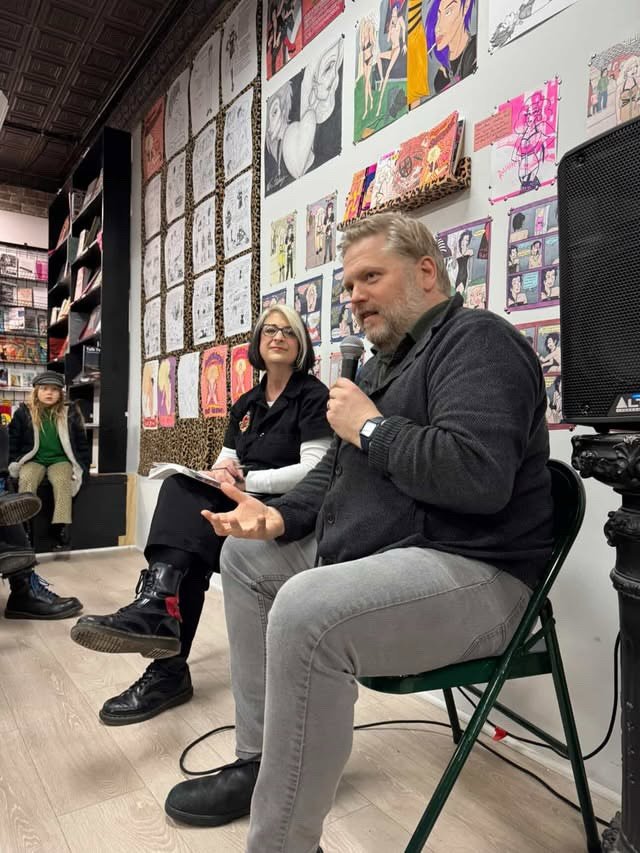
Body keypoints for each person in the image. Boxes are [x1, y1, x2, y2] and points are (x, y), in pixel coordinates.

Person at [160, 213, 553, 850]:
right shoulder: (376, 368)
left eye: (371, 277)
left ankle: (281, 842)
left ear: (427, 273)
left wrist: (370, 428)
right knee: (246, 561)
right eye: (348, 286)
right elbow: (338, 477)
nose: (355, 297)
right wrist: (279, 517)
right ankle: (262, 764)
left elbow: (479, 478)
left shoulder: (478, 339)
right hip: (400, 554)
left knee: (306, 609)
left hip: (483, 575)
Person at [70, 306, 332, 726]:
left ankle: (165, 643)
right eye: (269, 330)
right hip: (244, 495)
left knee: (187, 547)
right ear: (258, 343)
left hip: (287, 509)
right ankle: (161, 608)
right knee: (182, 504)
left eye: (289, 332)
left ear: (300, 345)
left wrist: (248, 481)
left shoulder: (314, 396)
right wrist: (217, 473)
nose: (278, 337)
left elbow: (315, 469)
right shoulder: (247, 402)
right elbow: (226, 459)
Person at [0, 424, 83, 619]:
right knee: (7, 504)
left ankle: (24, 585)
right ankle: (24, 587)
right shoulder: (25, 414)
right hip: (31, 463)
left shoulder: (68, 413)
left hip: (59, 463)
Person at [9, 372, 90, 551]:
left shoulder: (70, 412)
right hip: (33, 459)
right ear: (36, 391)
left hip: (61, 460)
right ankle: (25, 531)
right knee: (27, 479)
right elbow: (13, 439)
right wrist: (12, 463)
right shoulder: (24, 412)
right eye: (44, 389)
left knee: (62, 482)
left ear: (61, 393)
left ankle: (60, 530)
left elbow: (82, 443)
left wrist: (84, 466)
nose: (49, 393)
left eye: (54, 389)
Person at [427, 0, 477, 94]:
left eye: (448, 12)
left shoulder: (477, 50)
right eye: (437, 16)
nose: (438, 27)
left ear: (466, 6)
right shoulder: (441, 78)